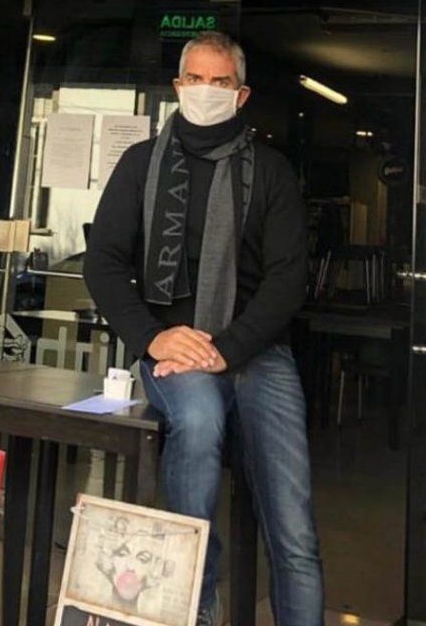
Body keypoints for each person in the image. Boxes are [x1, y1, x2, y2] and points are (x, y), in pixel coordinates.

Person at [83, 31, 322, 626]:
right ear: (177, 86)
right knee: (198, 421)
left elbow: (288, 278)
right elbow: (104, 262)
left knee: (293, 525)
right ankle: (195, 606)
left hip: (257, 352)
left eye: (221, 82)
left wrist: (229, 349)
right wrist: (152, 337)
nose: (206, 91)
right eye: (196, 79)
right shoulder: (141, 164)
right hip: (173, 347)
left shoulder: (271, 172)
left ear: (241, 95)